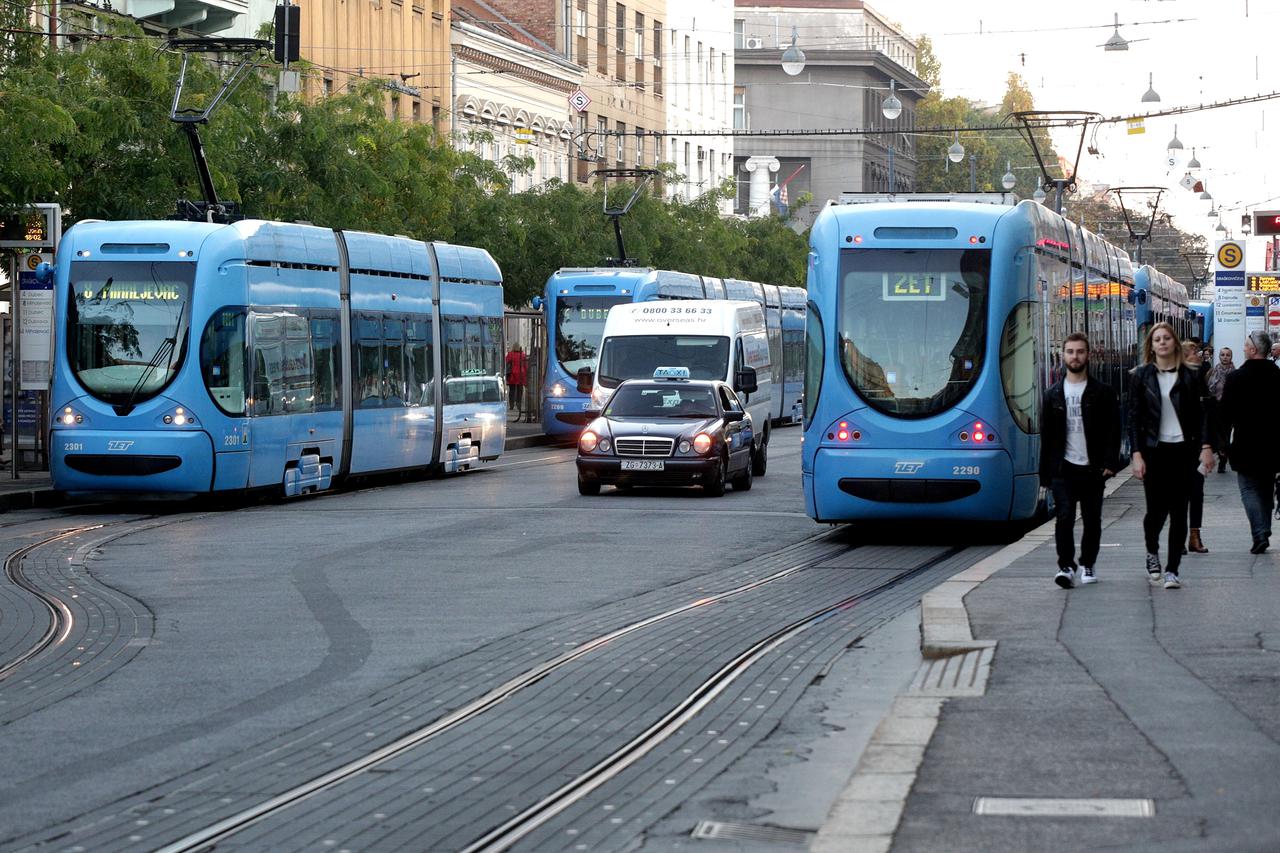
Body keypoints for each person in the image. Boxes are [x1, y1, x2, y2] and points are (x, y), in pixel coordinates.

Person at [1129, 322, 1216, 590]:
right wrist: (1136, 454)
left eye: (1167, 338)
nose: (1163, 343)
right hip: (1154, 451)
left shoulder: (1190, 376)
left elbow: (1202, 414)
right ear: (1151, 346)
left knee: (1179, 511)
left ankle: (1172, 570)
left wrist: (1206, 446)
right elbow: (1134, 418)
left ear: (1174, 343)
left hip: (1184, 450)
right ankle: (1152, 551)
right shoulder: (1141, 376)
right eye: (1157, 339)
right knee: (1156, 511)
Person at [1040, 333, 1122, 589]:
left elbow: (1113, 429)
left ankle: (1088, 563)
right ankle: (1066, 566)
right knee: (1064, 517)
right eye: (1070, 352)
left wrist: (1110, 462)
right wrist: (1045, 474)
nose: (1075, 356)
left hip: (1092, 468)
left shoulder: (1103, 392)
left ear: (1088, 355)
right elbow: (1047, 436)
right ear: (1063, 356)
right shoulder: (1052, 394)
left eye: (1079, 351)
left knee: (1092, 519)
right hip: (1063, 468)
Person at [1218, 330, 1280, 553]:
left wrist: (1222, 443)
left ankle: (1260, 532)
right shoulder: (1277, 375)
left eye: (1245, 345)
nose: (1243, 348)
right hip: (1273, 444)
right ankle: (1264, 528)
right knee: (1266, 487)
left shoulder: (1236, 378)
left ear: (1253, 350)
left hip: (1245, 442)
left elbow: (1225, 413)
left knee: (1248, 488)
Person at [1182, 341, 1212, 553]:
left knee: (1196, 491)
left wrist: (1208, 444)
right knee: (1179, 493)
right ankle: (1179, 535)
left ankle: (1194, 535)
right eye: (1193, 352)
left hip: (1196, 446)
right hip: (1176, 446)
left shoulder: (1199, 378)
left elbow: (1207, 413)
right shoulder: (1173, 379)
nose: (1198, 355)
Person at [1205, 346, 1235, 472]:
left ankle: (1223, 460)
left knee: (1226, 434)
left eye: (1227, 355)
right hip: (1215, 408)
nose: (1225, 357)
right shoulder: (1212, 372)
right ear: (1219, 356)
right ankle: (1221, 454)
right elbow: (1207, 389)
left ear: (1231, 357)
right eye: (1222, 354)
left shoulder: (1235, 373)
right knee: (1217, 435)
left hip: (1228, 409)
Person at [504, 343, 528, 420]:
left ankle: (511, 405)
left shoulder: (510, 354)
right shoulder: (523, 355)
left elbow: (506, 361)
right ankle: (518, 403)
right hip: (521, 373)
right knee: (520, 390)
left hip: (513, 374)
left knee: (512, 390)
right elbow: (526, 365)